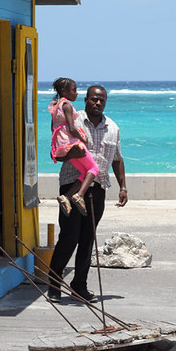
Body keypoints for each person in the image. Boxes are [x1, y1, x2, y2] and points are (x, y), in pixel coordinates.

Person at [48, 84, 127, 302]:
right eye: (94, 99)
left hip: (98, 187)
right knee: (69, 236)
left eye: (101, 100)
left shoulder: (113, 128)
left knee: (87, 240)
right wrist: (67, 154)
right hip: (72, 185)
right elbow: (57, 148)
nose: (98, 103)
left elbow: (117, 159)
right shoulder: (71, 117)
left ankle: (79, 286)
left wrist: (123, 186)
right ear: (85, 100)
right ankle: (53, 285)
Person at [48, 77, 99, 217]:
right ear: (64, 91)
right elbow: (71, 128)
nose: (76, 93)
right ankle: (80, 195)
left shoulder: (56, 106)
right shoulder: (67, 105)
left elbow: (54, 128)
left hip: (62, 145)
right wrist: (84, 138)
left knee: (84, 172)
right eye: (74, 90)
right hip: (72, 144)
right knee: (94, 169)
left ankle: (67, 197)